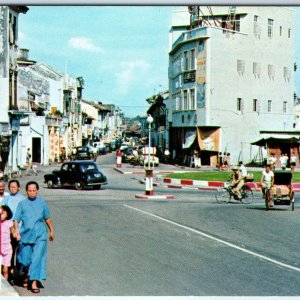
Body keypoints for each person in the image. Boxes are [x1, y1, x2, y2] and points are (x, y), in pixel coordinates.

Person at [13, 181, 55, 293]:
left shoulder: (42, 203)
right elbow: (16, 219)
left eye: (34, 190)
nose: (32, 193)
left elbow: (47, 218)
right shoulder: (22, 204)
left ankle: (34, 282)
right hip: (25, 236)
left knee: (37, 259)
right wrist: (16, 231)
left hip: (40, 235)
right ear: (26, 191)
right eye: (30, 190)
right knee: (25, 259)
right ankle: (25, 273)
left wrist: (51, 230)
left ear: (37, 191)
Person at [2, 180, 26, 278]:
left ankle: (20, 270)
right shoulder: (6, 199)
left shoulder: (23, 199)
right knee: (10, 251)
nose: (13, 188)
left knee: (21, 251)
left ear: (19, 187)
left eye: (15, 187)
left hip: (20, 229)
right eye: (11, 187)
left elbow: (25, 215)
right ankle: (11, 272)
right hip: (9, 230)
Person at [0, 205, 14, 281]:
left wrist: (17, 235)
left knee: (5, 270)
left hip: (7, 250)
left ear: (8, 214)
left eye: (3, 213)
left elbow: (14, 233)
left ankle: (5, 285)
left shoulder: (9, 223)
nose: (1, 215)